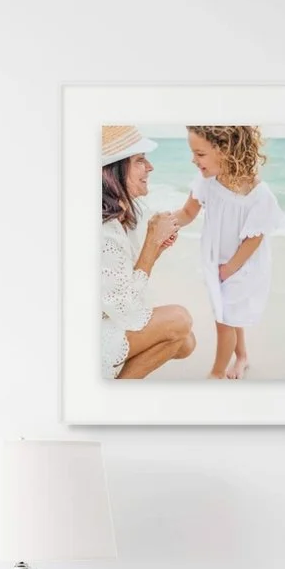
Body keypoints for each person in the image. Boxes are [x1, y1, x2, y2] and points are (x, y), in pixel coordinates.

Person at [97, 125, 197, 381]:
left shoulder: (119, 220)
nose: (150, 167)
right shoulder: (104, 229)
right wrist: (151, 246)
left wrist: (156, 249)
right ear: (115, 169)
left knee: (186, 342)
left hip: (105, 321)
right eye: (140, 160)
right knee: (179, 321)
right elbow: (124, 308)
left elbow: (119, 290)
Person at [187, 125, 279, 381]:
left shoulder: (259, 195)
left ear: (225, 150)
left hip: (244, 264)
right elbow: (187, 213)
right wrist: (168, 223)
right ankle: (242, 356)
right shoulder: (207, 182)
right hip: (218, 261)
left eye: (200, 154)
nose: (194, 160)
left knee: (224, 318)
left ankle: (216, 373)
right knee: (229, 311)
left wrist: (231, 268)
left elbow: (254, 238)